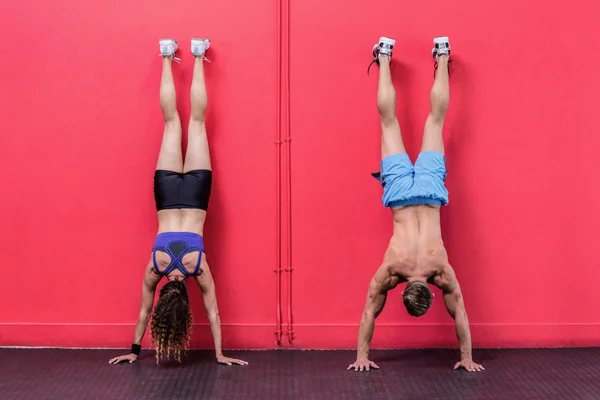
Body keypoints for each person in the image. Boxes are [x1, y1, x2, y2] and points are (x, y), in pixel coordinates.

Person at [348, 37, 483, 372]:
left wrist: (467, 358)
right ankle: (383, 56)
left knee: (436, 120)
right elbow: (368, 312)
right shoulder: (392, 271)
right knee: (389, 122)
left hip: (430, 190)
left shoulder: (442, 272)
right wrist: (361, 357)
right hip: (399, 195)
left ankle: (441, 54)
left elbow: (461, 314)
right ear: (405, 291)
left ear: (431, 293)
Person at [109, 39, 247, 367]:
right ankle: (168, 54)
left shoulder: (197, 267)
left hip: (197, 195)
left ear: (185, 301)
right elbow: (144, 312)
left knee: (196, 123)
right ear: (165, 300)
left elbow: (212, 311)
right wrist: (133, 349)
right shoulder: (154, 267)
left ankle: (198, 53)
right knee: (172, 122)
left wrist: (219, 353)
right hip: (167, 196)